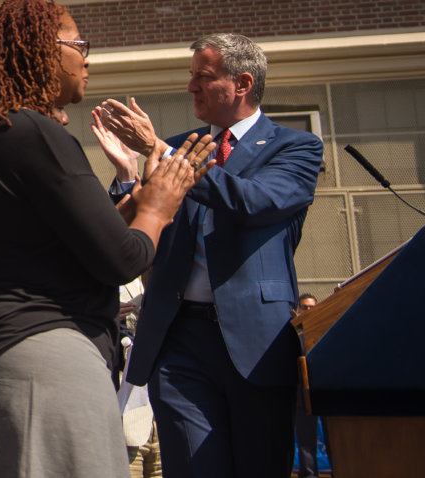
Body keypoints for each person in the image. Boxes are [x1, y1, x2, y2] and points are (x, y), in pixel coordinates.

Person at [0, 0, 212, 478]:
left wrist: (124, 209)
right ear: (42, 50)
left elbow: (33, 247)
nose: (87, 59)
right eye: (79, 44)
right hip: (41, 364)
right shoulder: (37, 131)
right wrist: (160, 204)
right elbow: (124, 260)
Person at [96, 32, 323, 478]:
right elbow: (141, 230)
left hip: (257, 345)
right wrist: (127, 177)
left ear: (241, 83)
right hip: (180, 344)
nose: (191, 87)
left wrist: (160, 152)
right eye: (191, 76)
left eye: (203, 76)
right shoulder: (175, 147)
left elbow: (253, 202)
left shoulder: (296, 148)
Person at [294, 293, 321, 477]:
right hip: (302, 398)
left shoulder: (326, 331)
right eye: (305, 307)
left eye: (312, 307)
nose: (309, 311)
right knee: (306, 443)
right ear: (298, 310)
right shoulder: (292, 338)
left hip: (327, 393)